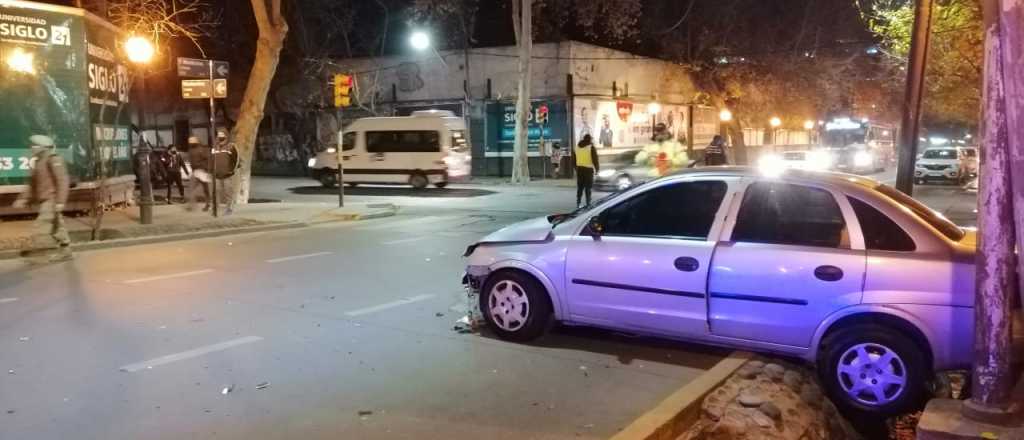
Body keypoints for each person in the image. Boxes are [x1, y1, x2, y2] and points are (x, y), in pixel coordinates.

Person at [13, 135, 71, 262]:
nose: (31, 148)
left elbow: (62, 180)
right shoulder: (38, 162)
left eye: (34, 145)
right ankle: (66, 251)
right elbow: (32, 185)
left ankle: (37, 254)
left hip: (52, 199)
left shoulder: (53, 159)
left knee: (41, 226)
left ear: (43, 147)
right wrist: (23, 198)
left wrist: (60, 201)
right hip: (45, 200)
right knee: (58, 227)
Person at [212, 130, 240, 215]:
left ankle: (229, 209)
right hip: (217, 175)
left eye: (222, 134)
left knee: (228, 193)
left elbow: (237, 159)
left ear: (226, 136)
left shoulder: (231, 146)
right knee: (216, 193)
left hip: (227, 175)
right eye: (219, 135)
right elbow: (212, 160)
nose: (220, 136)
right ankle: (215, 209)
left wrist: (232, 170)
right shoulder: (215, 147)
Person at [185, 136, 212, 211]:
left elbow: (208, 159)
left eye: (192, 141)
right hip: (196, 171)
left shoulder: (202, 149)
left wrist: (207, 170)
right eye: (190, 142)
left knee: (205, 189)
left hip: (202, 171)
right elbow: (191, 161)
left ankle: (208, 204)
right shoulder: (191, 150)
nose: (190, 143)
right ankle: (192, 205)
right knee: (192, 188)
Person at [574, 134, 600, 208]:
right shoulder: (591, 148)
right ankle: (588, 203)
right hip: (588, 170)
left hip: (579, 169)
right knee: (588, 188)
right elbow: (595, 160)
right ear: (589, 139)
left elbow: (573, 160)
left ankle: (578, 203)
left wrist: (576, 168)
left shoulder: (577, 148)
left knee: (580, 187)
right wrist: (597, 169)